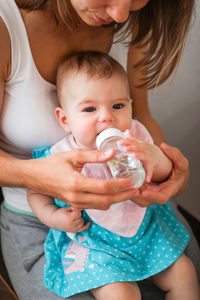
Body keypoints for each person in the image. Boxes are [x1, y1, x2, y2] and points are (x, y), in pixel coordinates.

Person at [0, 1, 199, 299]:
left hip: (137, 214)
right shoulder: (59, 151)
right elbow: (37, 195)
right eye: (90, 109)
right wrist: (49, 204)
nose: (121, 15)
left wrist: (167, 170)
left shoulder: (132, 135)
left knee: (187, 271)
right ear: (64, 119)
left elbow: (143, 119)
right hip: (66, 223)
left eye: (118, 106)